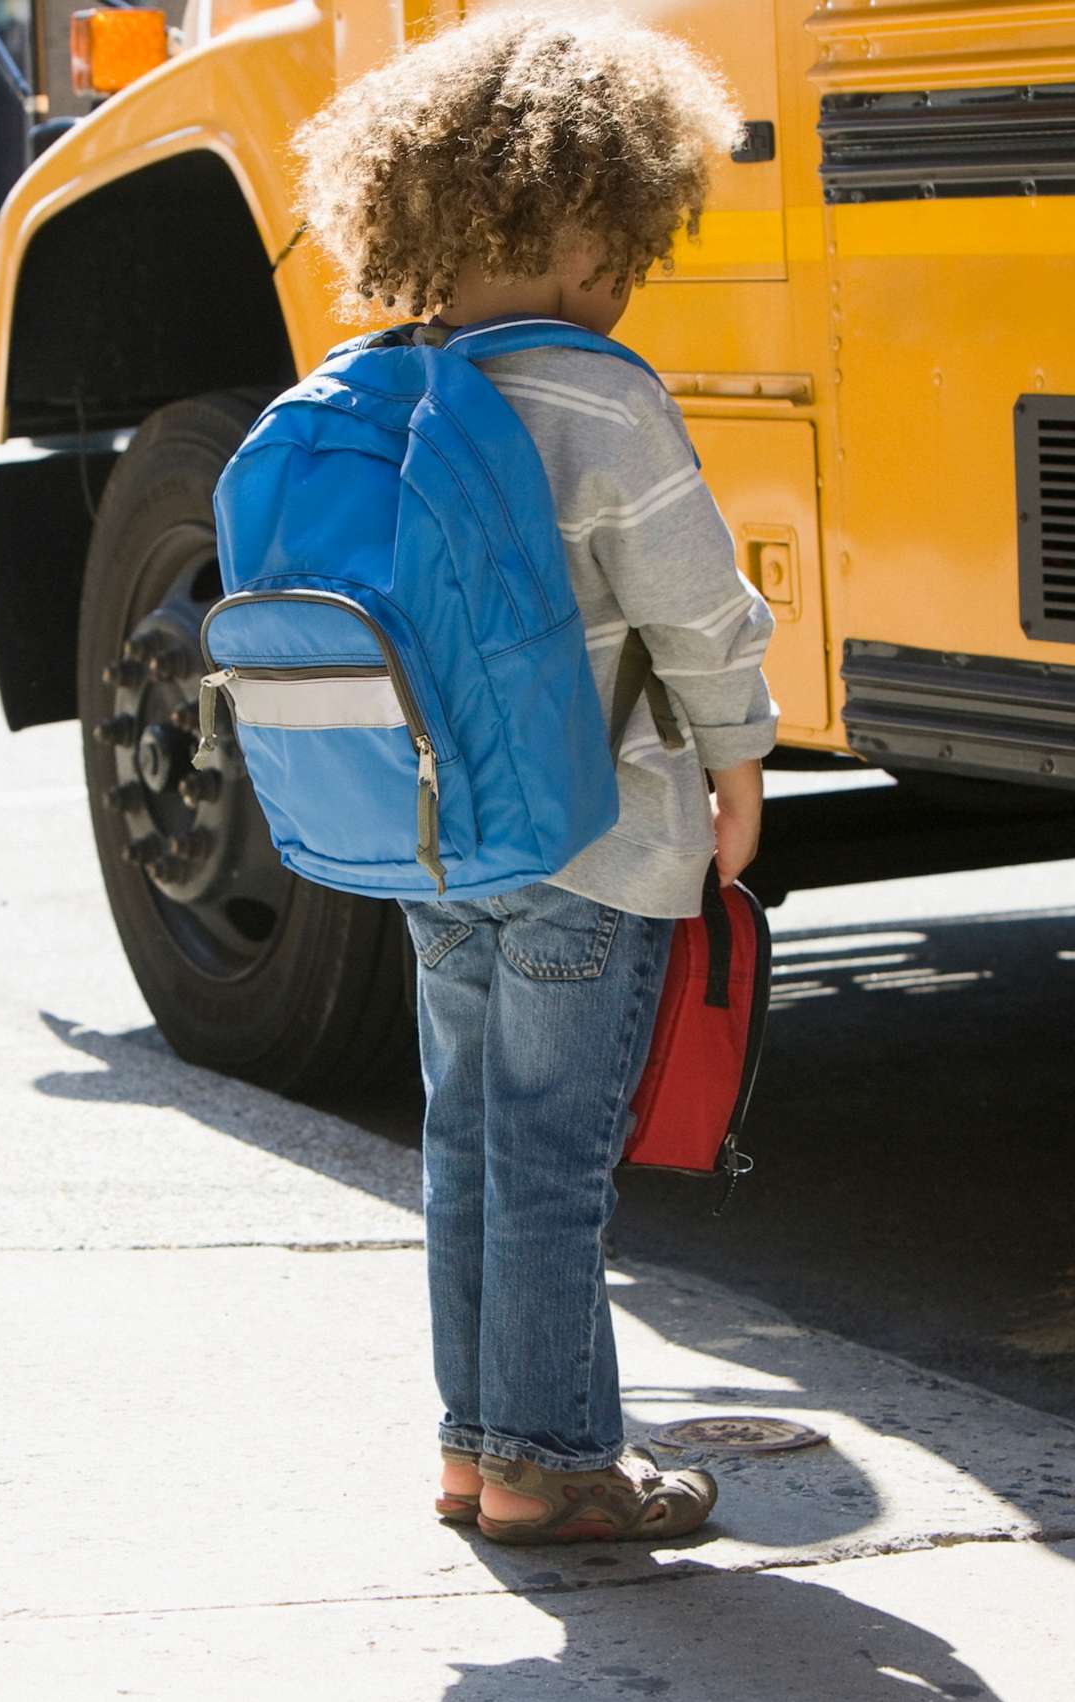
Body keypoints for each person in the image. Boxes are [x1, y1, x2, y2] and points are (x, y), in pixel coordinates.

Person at [291, 11, 779, 1544]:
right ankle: (555, 1466)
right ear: (586, 235)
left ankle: (471, 1445)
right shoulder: (602, 394)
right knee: (558, 1161)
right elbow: (695, 607)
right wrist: (740, 758)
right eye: (627, 239)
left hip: (438, 849)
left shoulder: (381, 385)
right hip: (598, 841)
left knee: (470, 1148)